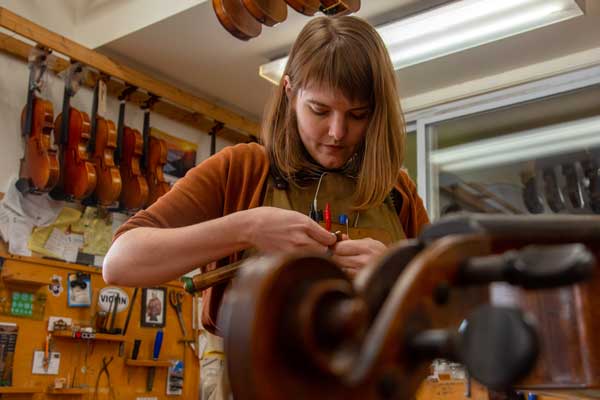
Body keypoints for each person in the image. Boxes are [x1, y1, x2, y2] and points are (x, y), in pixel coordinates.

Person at [103, 15, 429, 399]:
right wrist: (246, 227)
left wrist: (395, 275)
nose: (337, 133)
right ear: (289, 91)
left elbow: (451, 308)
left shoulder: (398, 192)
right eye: (320, 111)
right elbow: (120, 262)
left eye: (358, 115)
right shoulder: (241, 170)